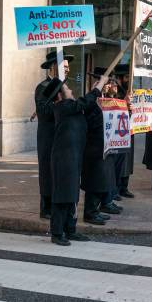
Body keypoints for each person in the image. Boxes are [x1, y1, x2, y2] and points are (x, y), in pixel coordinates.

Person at [46, 74, 106, 246]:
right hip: (63, 159)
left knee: (72, 195)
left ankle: (70, 229)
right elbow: (84, 101)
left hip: (74, 157)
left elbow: (88, 105)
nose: (70, 90)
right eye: (66, 88)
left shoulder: (72, 108)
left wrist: (96, 91)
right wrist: (99, 85)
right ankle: (57, 232)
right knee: (62, 195)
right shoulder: (62, 107)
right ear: (59, 96)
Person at [34, 51, 73, 219]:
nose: (68, 69)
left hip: (62, 136)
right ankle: (46, 207)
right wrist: (60, 103)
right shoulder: (43, 87)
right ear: (53, 68)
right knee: (47, 171)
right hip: (48, 136)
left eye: (68, 67)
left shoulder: (65, 86)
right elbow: (43, 112)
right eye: (64, 67)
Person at [81, 67, 120, 226]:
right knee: (94, 181)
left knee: (102, 179)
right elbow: (89, 121)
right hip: (93, 147)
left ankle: (97, 209)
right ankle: (89, 213)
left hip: (105, 146)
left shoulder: (107, 100)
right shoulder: (90, 100)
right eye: (104, 83)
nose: (108, 86)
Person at [113, 64, 134, 199]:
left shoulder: (129, 92)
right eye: (127, 77)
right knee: (119, 161)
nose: (129, 80)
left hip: (130, 130)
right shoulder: (116, 93)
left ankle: (124, 186)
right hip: (119, 133)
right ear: (120, 78)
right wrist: (124, 104)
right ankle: (116, 188)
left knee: (128, 159)